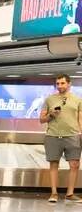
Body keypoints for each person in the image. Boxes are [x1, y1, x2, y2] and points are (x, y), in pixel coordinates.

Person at [40, 74, 82, 204]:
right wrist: (51, 115)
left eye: (62, 83)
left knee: (74, 164)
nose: (60, 86)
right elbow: (42, 119)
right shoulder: (49, 100)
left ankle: (70, 194)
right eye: (57, 83)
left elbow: (80, 119)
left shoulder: (78, 100)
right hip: (53, 135)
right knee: (53, 164)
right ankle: (54, 193)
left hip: (72, 135)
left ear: (69, 84)